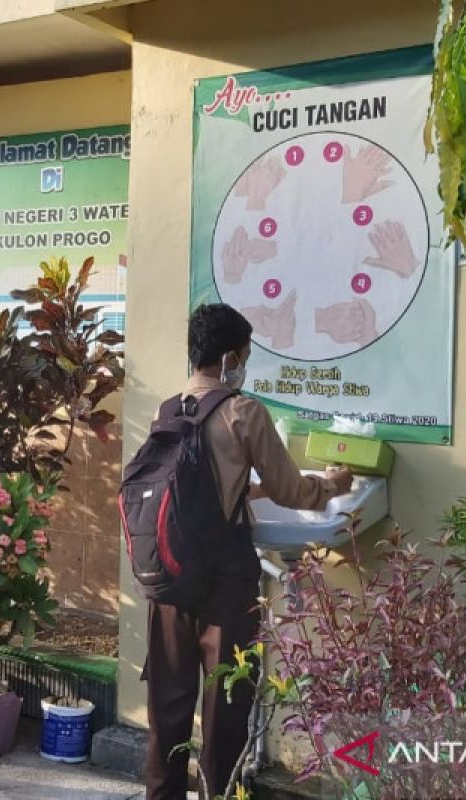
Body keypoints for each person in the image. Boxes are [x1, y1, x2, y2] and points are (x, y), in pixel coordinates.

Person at [144, 303, 353, 800]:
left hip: (168, 580)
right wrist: (332, 485)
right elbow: (290, 492)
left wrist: (249, 491)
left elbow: (202, 487)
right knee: (225, 709)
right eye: (246, 354)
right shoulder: (244, 410)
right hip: (225, 584)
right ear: (232, 357)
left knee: (167, 709)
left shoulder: (168, 409)